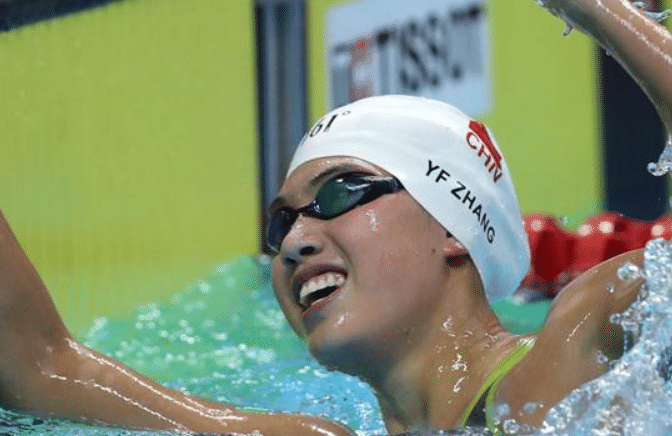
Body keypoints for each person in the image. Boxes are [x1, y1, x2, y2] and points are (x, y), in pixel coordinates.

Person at [0, 0, 669, 434]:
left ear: (451, 227)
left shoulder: (583, 340)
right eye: (279, 225)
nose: (294, 241)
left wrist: (596, 10)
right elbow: (39, 365)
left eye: (341, 194)